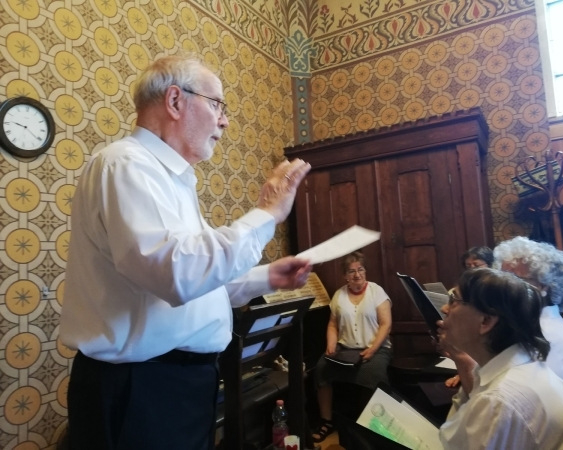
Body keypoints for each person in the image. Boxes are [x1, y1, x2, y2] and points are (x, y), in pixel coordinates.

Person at [59, 55, 312, 450]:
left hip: (180, 384)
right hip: (140, 388)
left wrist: (267, 277)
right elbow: (175, 275)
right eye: (217, 105)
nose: (224, 121)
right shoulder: (125, 165)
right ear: (175, 101)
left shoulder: (172, 179)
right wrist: (267, 214)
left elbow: (196, 286)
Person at [437, 268, 563, 449]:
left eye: (454, 300)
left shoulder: (498, 401)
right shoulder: (520, 365)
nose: (444, 309)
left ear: (486, 321)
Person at [311, 251, 392, 443]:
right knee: (321, 369)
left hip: (376, 349)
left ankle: (370, 426)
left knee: (373, 374)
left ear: (365, 271)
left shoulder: (377, 292)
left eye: (360, 269)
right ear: (345, 276)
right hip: (345, 350)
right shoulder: (339, 295)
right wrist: (331, 344)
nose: (357, 275)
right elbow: (332, 324)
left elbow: (386, 324)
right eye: (351, 271)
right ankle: (326, 421)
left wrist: (372, 349)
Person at [493, 236, 563, 395]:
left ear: (543, 286)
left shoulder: (540, 330)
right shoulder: (542, 318)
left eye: (515, 279)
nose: (503, 288)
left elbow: (512, 394)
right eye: (501, 279)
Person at [443, 245, 494, 388]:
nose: (471, 269)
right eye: (468, 266)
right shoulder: (465, 287)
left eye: (476, 265)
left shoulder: (494, 291)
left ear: (490, 265)